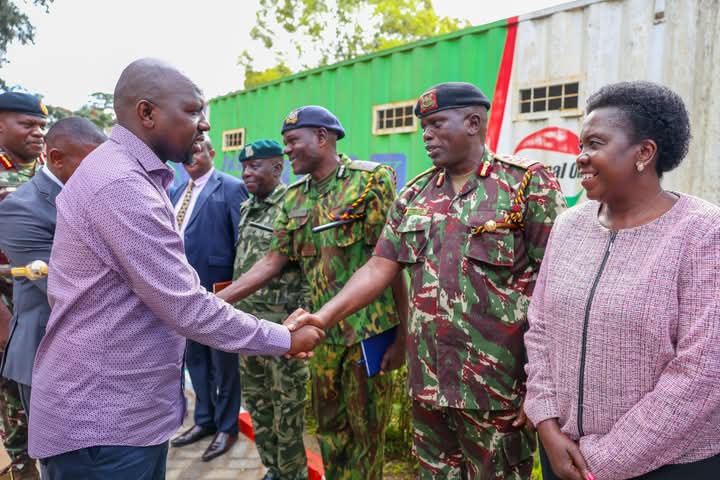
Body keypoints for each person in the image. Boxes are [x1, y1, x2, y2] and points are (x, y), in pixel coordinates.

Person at [27, 58, 324, 480]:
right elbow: (184, 306)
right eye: (192, 110)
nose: (205, 124)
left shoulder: (129, 174)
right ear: (147, 113)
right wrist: (284, 338)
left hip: (123, 419)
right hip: (105, 429)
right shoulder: (121, 185)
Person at [288, 83, 567, 479]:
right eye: (423, 127)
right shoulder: (415, 194)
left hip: (497, 389)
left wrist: (542, 386)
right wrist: (322, 317)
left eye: (437, 124)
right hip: (429, 387)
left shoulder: (526, 185)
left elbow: (556, 290)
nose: (427, 135)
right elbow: (378, 267)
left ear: (473, 123)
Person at [524, 81, 720, 480]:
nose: (581, 157)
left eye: (595, 144)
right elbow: (540, 329)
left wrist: (603, 460)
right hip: (563, 454)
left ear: (644, 153)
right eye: (580, 145)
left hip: (670, 465)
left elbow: (702, 371)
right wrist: (546, 423)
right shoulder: (568, 226)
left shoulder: (702, 232)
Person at [216, 106, 408, 480]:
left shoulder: (371, 182)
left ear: (321, 137)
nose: (287, 150)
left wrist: (404, 335)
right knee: (330, 433)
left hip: (369, 335)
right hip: (321, 337)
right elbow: (272, 261)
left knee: (366, 438)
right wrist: (214, 303)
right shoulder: (294, 197)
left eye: (292, 141)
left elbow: (390, 263)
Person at [0, 117, 106, 419]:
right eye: (90, 165)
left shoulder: (94, 193)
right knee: (55, 451)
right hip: (50, 357)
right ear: (57, 159)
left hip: (100, 355)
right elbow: (65, 286)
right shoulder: (21, 207)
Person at [233, 139, 310, 480]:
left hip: (282, 332)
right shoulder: (247, 208)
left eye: (255, 166)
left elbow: (309, 271)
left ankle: (293, 475)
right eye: (244, 167)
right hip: (247, 328)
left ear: (277, 167)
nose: (246, 173)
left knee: (287, 411)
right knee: (258, 404)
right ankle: (274, 469)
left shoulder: (293, 206)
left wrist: (304, 320)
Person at [169, 138, 248, 461]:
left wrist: (235, 291)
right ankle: (205, 420)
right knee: (196, 361)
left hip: (218, 293)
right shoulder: (177, 191)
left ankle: (227, 427)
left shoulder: (231, 188)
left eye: (198, 150)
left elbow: (242, 244)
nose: (192, 156)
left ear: (212, 153)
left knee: (223, 364)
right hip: (182, 294)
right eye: (186, 151)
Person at [0, 91, 48, 480]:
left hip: (46, 303)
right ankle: (22, 466)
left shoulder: (48, 168)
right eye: (27, 124)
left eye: (42, 126)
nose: (38, 132)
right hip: (7, 307)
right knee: (12, 393)